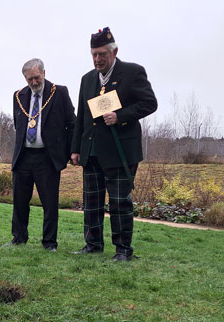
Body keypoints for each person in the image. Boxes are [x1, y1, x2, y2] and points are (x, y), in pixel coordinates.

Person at [71, 27, 157, 261]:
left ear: (114, 51)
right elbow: (82, 117)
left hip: (120, 152)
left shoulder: (132, 72)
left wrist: (121, 115)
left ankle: (123, 250)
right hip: (92, 151)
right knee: (91, 203)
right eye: (94, 55)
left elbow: (150, 103)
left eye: (102, 55)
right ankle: (93, 244)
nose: (97, 60)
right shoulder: (87, 79)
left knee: (120, 203)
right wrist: (76, 148)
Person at [11, 58, 76, 251]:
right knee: (19, 201)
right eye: (29, 79)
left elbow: (71, 123)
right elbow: (18, 124)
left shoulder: (59, 92)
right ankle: (19, 238)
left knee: (49, 202)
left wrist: (72, 151)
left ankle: (49, 242)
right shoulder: (18, 96)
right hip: (23, 156)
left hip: (47, 158)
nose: (34, 82)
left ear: (44, 73)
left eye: (36, 77)